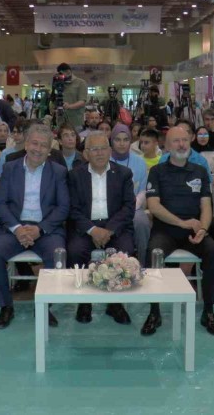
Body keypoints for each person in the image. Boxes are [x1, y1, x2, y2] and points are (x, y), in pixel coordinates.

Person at [0, 124, 69, 329]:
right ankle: (6, 306)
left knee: (58, 255)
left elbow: (63, 207)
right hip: (13, 227)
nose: (38, 149)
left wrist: (40, 229)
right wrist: (17, 228)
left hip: (46, 229)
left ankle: (45, 307)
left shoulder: (58, 171)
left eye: (43, 145)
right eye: (34, 143)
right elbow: (0, 203)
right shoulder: (10, 167)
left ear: (50, 149)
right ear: (26, 143)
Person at [144, 127, 214, 336]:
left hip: (195, 230)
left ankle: (209, 311)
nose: (181, 145)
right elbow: (154, 206)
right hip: (165, 230)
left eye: (185, 140)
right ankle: (154, 312)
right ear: (167, 146)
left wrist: (203, 229)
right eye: (176, 141)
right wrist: (182, 223)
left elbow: (206, 206)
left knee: (213, 251)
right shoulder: (157, 172)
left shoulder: (199, 171)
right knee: (153, 253)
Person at [67, 131, 135, 324]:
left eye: (103, 148)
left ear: (110, 151)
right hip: (86, 227)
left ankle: (115, 303)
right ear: (85, 153)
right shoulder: (74, 175)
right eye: (94, 149)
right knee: (75, 251)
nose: (99, 153)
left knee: (125, 250)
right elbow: (72, 209)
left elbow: (128, 207)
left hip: (114, 226)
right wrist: (93, 230)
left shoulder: (123, 174)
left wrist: (109, 230)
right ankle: (84, 302)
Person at [110, 124, 149, 269]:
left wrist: (131, 207)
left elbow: (143, 190)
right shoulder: (104, 159)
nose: (122, 143)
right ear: (111, 141)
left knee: (142, 222)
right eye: (117, 139)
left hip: (134, 206)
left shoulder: (140, 162)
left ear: (131, 141)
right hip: (110, 208)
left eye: (126, 139)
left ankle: (142, 264)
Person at [55, 63, 88, 129]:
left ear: (68, 72)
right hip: (61, 121)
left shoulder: (81, 83)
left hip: (75, 121)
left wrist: (69, 106)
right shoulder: (60, 83)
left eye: (61, 74)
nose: (60, 76)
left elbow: (82, 101)